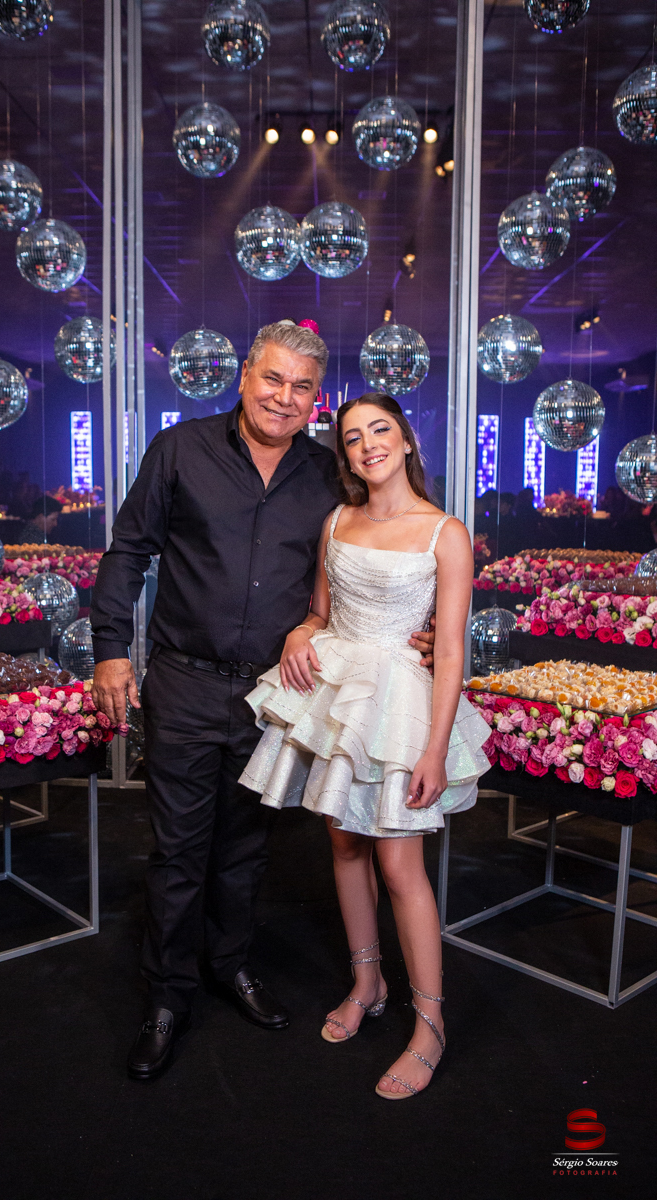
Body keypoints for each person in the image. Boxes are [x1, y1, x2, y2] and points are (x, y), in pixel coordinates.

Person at [89, 322, 436, 1081]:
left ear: (317, 400)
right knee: (180, 852)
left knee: (246, 849)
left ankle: (230, 965)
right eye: (273, 378)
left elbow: (378, 548)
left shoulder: (328, 475)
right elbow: (129, 551)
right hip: (184, 682)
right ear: (245, 375)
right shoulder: (179, 450)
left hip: (276, 694)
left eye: (301, 387)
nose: (284, 397)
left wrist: (425, 627)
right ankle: (166, 998)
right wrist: (111, 649)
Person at [239, 393, 490, 1100]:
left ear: (405, 441)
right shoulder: (337, 520)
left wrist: (434, 750)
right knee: (344, 844)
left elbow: (449, 650)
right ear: (345, 456)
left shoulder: (445, 532)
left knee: (400, 863)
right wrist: (299, 633)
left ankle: (430, 1025)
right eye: (352, 438)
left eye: (380, 430)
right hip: (341, 696)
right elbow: (320, 613)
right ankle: (367, 982)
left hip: (402, 707)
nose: (368, 445)